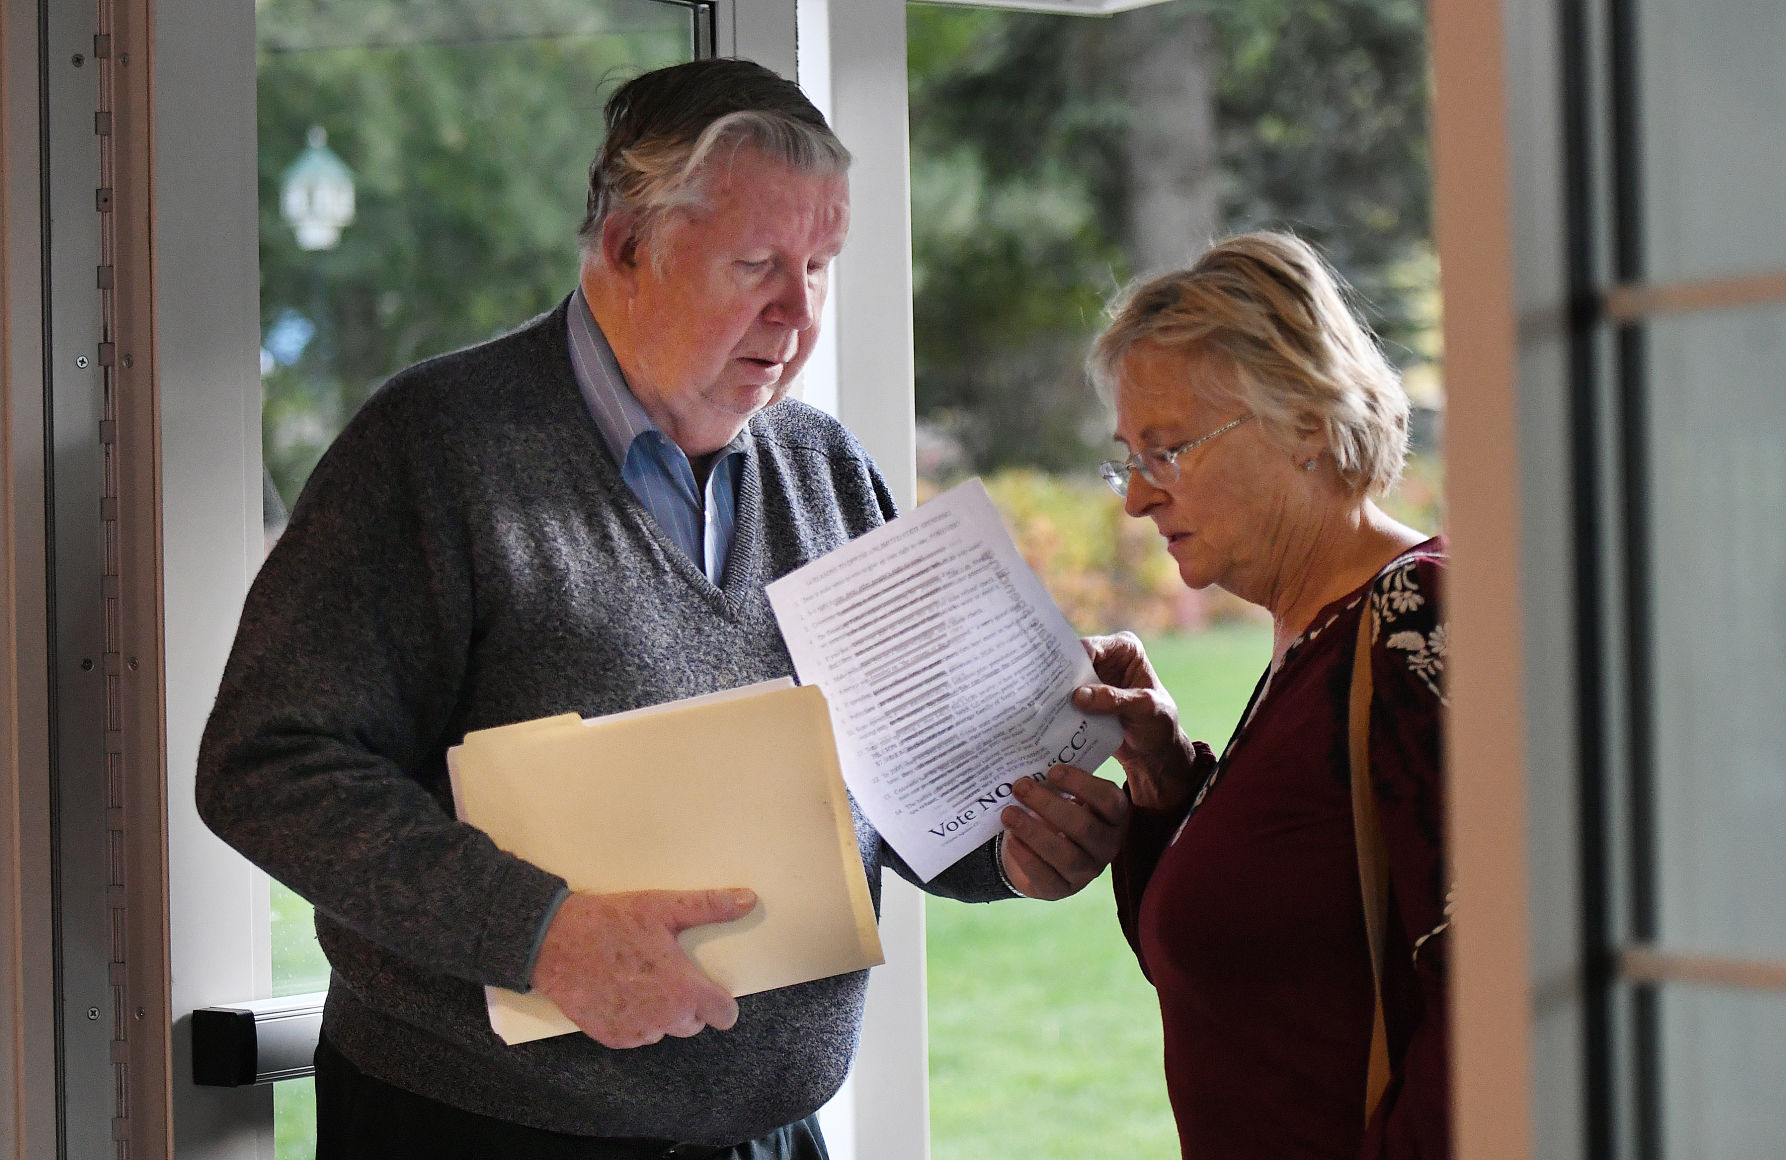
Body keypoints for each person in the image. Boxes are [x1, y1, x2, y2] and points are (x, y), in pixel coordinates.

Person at [197, 59, 1127, 1160]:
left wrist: (1014, 850)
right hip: (472, 1129)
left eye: (819, 266)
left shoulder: (825, 469)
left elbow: (908, 795)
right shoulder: (436, 448)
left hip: (768, 1135)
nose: (799, 312)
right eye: (757, 265)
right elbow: (270, 766)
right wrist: (538, 932)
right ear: (626, 245)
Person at [1070, 232, 1450, 1159]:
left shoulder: (1414, 619)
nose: (1136, 499)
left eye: (1168, 451)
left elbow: (1487, 1014)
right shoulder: (1314, 633)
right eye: (1129, 458)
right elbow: (1258, 978)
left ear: (1309, 422)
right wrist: (1166, 780)